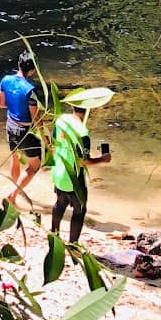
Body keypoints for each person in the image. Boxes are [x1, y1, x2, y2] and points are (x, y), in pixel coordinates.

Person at [48, 104, 112, 244]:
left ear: (72, 106)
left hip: (59, 171)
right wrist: (103, 159)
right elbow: (84, 161)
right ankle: (73, 244)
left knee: (60, 203)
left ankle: (54, 234)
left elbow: (52, 145)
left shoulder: (61, 120)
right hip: (74, 178)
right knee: (79, 210)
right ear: (88, 109)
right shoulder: (83, 133)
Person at [0, 52, 45, 201]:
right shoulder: (30, 90)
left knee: (15, 158)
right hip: (24, 131)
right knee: (34, 166)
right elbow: (35, 118)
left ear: (19, 65)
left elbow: (1, 104)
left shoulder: (5, 80)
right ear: (32, 70)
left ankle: (14, 188)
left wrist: (15, 106)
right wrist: (46, 139)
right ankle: (12, 196)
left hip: (10, 125)